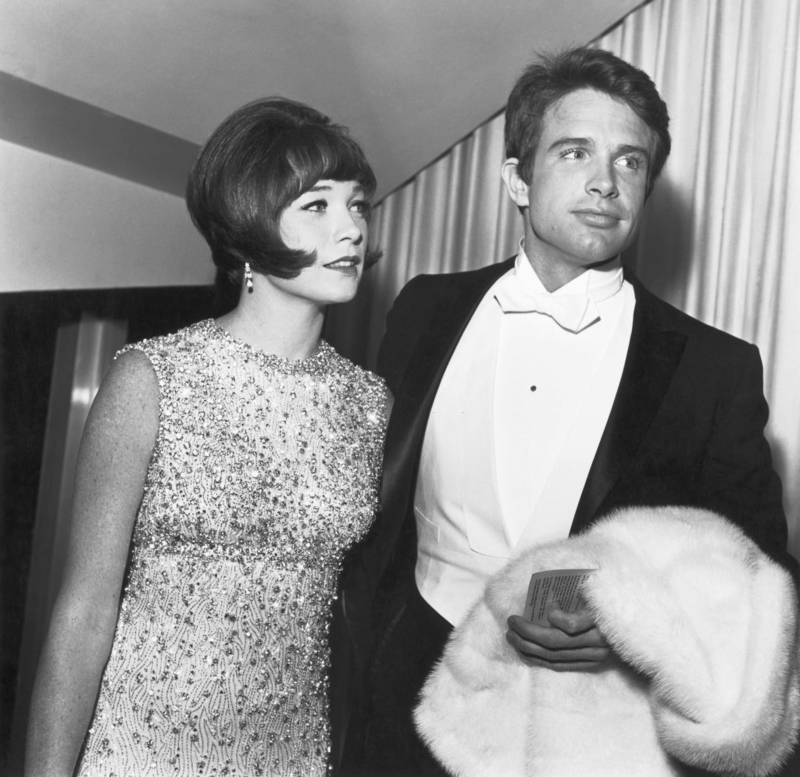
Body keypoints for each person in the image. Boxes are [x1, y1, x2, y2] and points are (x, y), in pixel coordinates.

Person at [340, 47, 800, 776]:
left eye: (630, 162)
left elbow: (761, 574)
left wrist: (641, 632)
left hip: (588, 733)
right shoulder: (425, 307)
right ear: (516, 179)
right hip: (400, 703)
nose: (605, 182)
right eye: (575, 151)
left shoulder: (715, 368)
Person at [25, 97, 389, 777]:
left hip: (291, 757)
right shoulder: (152, 377)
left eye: (358, 205)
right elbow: (83, 610)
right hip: (139, 751)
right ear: (249, 228)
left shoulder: (370, 404)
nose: (350, 228)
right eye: (317, 206)